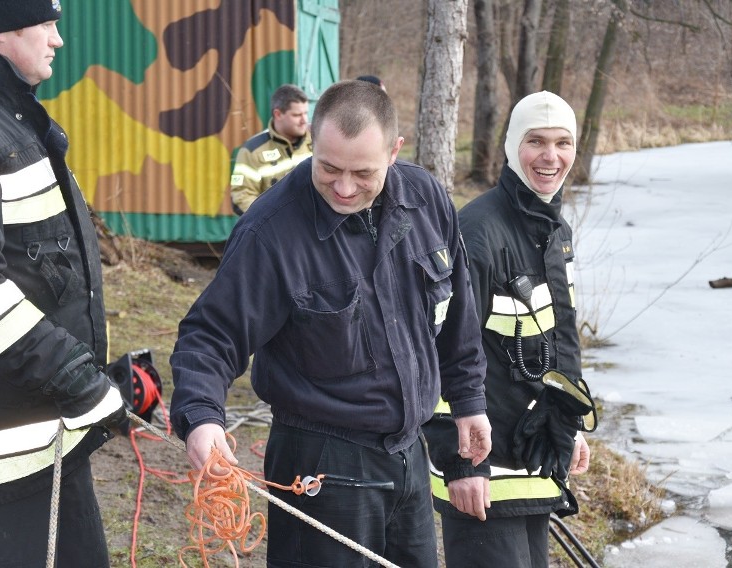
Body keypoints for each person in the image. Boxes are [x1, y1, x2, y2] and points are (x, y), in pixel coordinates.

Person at [170, 79, 492, 568]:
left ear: (394, 152)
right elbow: (210, 336)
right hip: (321, 463)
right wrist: (202, 417)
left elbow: (458, 315)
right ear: (311, 145)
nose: (343, 188)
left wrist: (468, 401)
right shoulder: (272, 231)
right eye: (328, 168)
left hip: (409, 456)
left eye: (362, 172)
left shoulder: (426, 199)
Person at [0, 1, 126, 566]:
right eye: (47, 23)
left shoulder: (1, 109)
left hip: (46, 442)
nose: (59, 40)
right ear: (4, 26)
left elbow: (37, 266)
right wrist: (78, 379)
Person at [423, 91, 595, 568]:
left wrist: (568, 424)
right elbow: (440, 355)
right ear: (511, 147)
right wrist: (461, 463)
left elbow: (560, 341)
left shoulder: (556, 231)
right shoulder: (477, 232)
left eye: (563, 143)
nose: (550, 156)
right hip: (482, 470)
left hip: (533, 459)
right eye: (535, 141)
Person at [230, 83, 312, 214]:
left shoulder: (318, 140)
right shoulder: (252, 151)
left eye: (306, 113)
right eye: (297, 115)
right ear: (278, 114)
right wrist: (273, 219)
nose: (304, 120)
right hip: (276, 230)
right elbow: (242, 196)